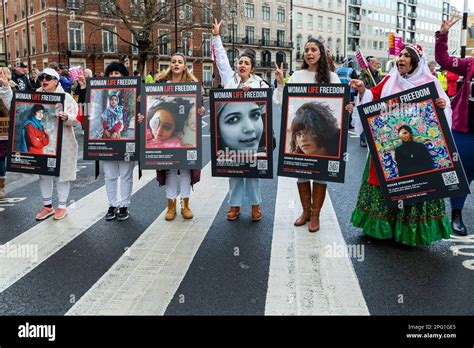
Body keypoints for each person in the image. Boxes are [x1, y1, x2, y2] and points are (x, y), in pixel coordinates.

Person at [350, 43, 452, 246]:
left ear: (416, 61)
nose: (401, 59)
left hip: (416, 149)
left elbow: (444, 108)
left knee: (414, 184)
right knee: (384, 181)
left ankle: (408, 231)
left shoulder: (430, 82)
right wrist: (363, 91)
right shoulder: (390, 80)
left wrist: (442, 105)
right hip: (389, 144)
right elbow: (373, 98)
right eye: (400, 55)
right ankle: (382, 228)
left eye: (407, 55)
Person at [274, 37, 343, 232]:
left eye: (313, 49)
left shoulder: (332, 77)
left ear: (321, 53)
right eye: (306, 50)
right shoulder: (296, 75)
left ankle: (315, 215)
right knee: (301, 173)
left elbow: (338, 104)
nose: (309, 53)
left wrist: (347, 106)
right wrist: (280, 83)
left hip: (322, 132)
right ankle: (305, 211)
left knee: (320, 174)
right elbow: (284, 101)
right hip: (302, 130)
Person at [212, 19, 269, 222]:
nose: (241, 65)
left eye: (246, 63)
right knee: (234, 171)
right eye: (240, 62)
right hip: (233, 135)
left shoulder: (260, 84)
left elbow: (267, 106)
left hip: (251, 134)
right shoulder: (229, 79)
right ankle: (234, 206)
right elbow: (220, 60)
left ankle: (255, 206)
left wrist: (253, 93)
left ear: (252, 68)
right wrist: (216, 36)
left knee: (253, 172)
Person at [139, 52, 204, 221]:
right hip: (165, 136)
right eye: (173, 61)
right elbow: (146, 104)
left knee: (185, 170)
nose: (176, 64)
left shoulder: (192, 85)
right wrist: (141, 107)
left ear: (184, 65)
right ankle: (170, 206)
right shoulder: (160, 83)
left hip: (179, 133)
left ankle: (185, 204)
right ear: (170, 64)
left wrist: (200, 110)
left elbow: (197, 107)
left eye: (180, 62)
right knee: (169, 170)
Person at [435, 17, 474, 236]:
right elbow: (443, 59)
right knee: (461, 175)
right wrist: (442, 35)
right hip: (466, 131)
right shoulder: (470, 64)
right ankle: (456, 215)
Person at [34, 68, 79, 221]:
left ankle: (61, 206)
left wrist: (67, 117)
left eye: (48, 77)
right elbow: (20, 108)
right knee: (44, 173)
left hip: (63, 142)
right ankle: (47, 206)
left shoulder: (66, 97)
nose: (44, 80)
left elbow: (77, 118)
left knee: (62, 174)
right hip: (42, 142)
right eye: (42, 78)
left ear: (56, 81)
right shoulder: (35, 96)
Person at [100, 61, 135, 222]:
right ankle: (112, 205)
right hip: (107, 137)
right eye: (111, 73)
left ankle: (124, 205)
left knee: (126, 174)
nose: (114, 76)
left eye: (117, 73)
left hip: (124, 134)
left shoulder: (130, 92)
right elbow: (96, 113)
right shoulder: (101, 92)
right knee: (110, 174)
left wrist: (117, 129)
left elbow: (129, 113)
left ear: (124, 76)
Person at [357, 56, 382, 147]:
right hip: (366, 98)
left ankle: (371, 139)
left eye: (378, 63)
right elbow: (362, 85)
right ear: (370, 64)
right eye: (376, 63)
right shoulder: (365, 74)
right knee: (364, 120)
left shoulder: (377, 74)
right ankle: (363, 139)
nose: (378, 65)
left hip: (374, 99)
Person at [0, 69, 13, 199]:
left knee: (0, 157)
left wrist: (5, 86)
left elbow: (10, 105)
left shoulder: (8, 89)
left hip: (3, 127)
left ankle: (1, 186)